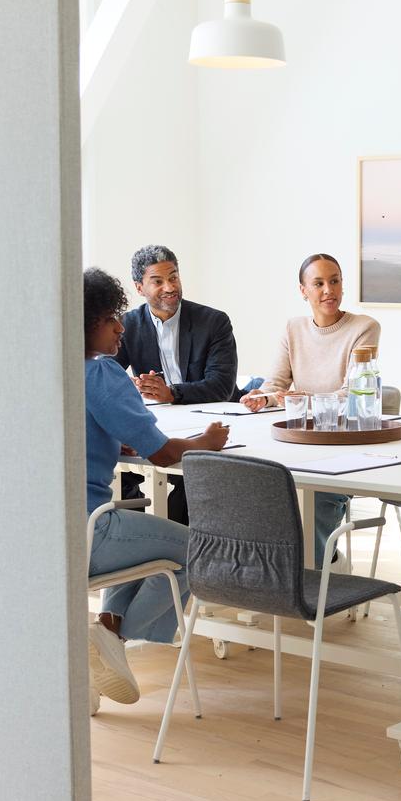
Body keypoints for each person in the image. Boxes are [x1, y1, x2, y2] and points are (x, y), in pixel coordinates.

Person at [84, 268, 229, 712]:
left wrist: (115, 438)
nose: (121, 328)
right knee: (199, 549)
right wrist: (204, 443)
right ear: (88, 323)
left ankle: (105, 634)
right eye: (112, 319)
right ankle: (111, 636)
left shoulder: (50, 371)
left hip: (48, 534)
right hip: (91, 533)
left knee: (153, 550)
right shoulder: (102, 373)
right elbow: (164, 454)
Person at [242, 253, 379, 567]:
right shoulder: (293, 328)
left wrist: (307, 399)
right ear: (303, 290)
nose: (328, 290)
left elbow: (354, 393)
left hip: (342, 445)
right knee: (257, 488)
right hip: (299, 443)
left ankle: (320, 571)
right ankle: (278, 577)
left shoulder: (365, 327)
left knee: (315, 500)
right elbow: (276, 383)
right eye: (318, 283)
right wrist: (261, 398)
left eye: (334, 281)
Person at [116, 244, 239, 524]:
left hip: (211, 424)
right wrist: (135, 387)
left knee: (191, 480)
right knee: (121, 475)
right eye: (157, 281)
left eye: (173, 277)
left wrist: (172, 393)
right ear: (139, 287)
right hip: (161, 424)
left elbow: (222, 386)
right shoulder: (128, 325)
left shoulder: (214, 322)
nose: (169, 287)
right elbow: (106, 376)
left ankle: (178, 548)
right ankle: (139, 542)